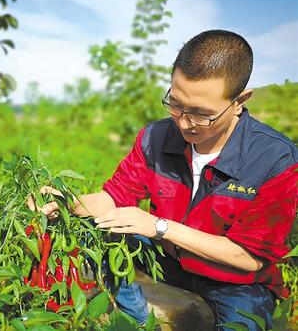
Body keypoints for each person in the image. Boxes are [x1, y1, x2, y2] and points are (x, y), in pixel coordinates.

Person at [34, 30, 298, 330]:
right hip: (167, 260)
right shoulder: (156, 138)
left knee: (245, 323)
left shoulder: (275, 160)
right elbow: (114, 196)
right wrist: (66, 202)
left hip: (235, 282)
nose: (185, 122)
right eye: (175, 103)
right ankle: (137, 319)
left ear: (239, 101)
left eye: (202, 114)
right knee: (96, 229)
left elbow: (249, 258)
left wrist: (160, 227)